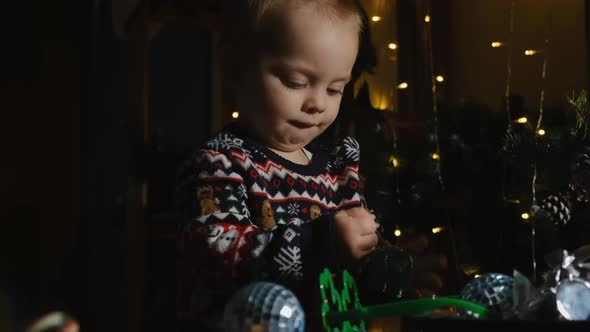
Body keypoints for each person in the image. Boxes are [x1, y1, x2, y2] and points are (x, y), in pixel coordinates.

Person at [175, 0, 447, 328]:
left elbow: (350, 265)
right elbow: (216, 253)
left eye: (335, 89)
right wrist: (321, 241)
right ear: (235, 70)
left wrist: (389, 269)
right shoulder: (220, 164)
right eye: (295, 82)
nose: (317, 103)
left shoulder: (336, 169)